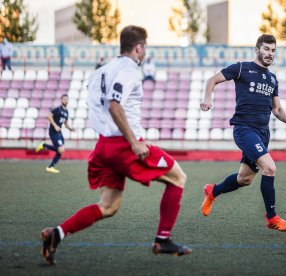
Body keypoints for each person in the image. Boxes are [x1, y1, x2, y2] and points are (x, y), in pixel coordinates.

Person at [39, 25, 192, 266]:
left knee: (108, 206)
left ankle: (56, 234)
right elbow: (114, 105)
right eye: (145, 48)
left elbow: (103, 107)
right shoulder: (129, 70)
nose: (145, 53)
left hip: (104, 146)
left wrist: (126, 135)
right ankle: (162, 239)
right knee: (178, 178)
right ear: (139, 47)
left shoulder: (101, 71)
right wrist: (134, 141)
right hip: (124, 146)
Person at [200, 34, 286, 232]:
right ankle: (272, 218)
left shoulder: (272, 79)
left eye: (273, 50)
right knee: (270, 168)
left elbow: (277, 109)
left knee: (244, 179)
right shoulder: (241, 68)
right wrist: (207, 98)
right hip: (244, 130)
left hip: (263, 134)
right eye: (266, 49)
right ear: (257, 50)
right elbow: (212, 80)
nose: (270, 53)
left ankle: (213, 191)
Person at [35, 94, 74, 173]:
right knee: (61, 150)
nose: (66, 101)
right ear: (61, 100)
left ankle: (50, 166)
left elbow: (65, 123)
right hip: (54, 132)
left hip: (59, 133)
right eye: (64, 99)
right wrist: (55, 126)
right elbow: (49, 116)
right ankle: (44, 146)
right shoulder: (58, 109)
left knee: (61, 150)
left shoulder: (66, 111)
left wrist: (70, 128)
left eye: (67, 99)